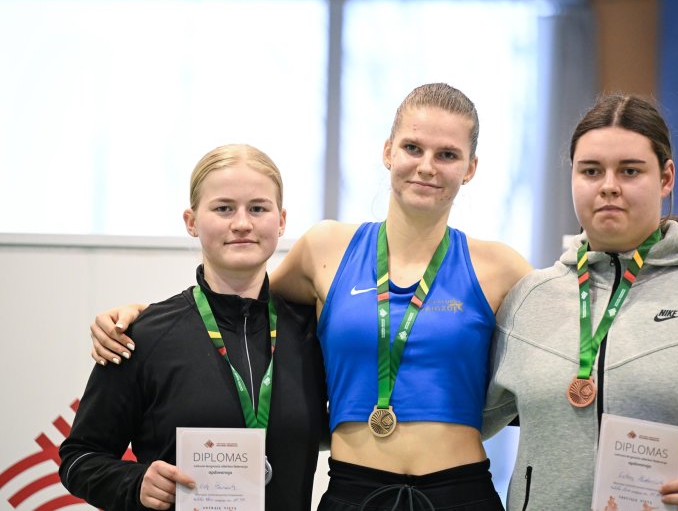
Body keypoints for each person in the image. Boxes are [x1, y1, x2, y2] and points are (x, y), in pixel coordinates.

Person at [85, 83, 533, 510]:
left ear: (470, 168)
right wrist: (145, 316)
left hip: (459, 491)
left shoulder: (501, 268)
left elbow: (557, 344)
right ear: (388, 151)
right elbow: (242, 307)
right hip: (355, 490)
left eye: (447, 154)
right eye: (413, 148)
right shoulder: (324, 250)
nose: (427, 166)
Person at [482, 94, 678, 510]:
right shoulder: (528, 300)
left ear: (666, 178)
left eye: (630, 170)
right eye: (591, 170)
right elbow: (468, 419)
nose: (608, 185)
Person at [60, 144, 328, 510]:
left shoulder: (312, 333)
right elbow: (79, 457)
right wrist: (136, 484)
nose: (242, 223)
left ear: (280, 221)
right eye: (223, 208)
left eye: (258, 208)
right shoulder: (144, 336)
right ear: (191, 221)